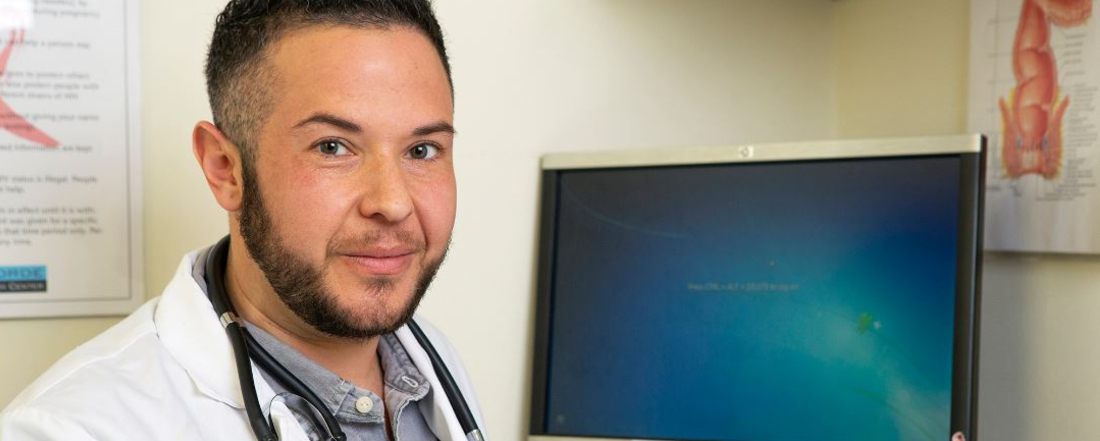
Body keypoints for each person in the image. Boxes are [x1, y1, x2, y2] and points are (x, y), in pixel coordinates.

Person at [0, 1, 485, 440]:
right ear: (225, 168)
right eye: (332, 147)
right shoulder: (72, 428)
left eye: (422, 150)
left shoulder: (428, 366)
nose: (393, 202)